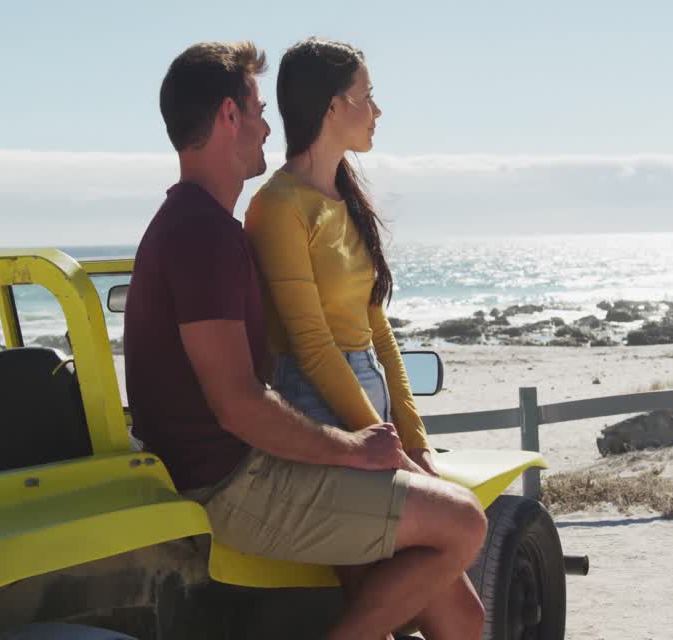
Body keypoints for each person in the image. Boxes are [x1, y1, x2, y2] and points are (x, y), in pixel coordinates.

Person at [123, 41, 487, 640]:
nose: (270, 126)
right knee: (465, 524)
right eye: (258, 110)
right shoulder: (202, 233)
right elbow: (237, 401)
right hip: (233, 485)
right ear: (228, 117)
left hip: (243, 467)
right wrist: (352, 449)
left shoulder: (205, 226)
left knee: (460, 612)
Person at [243, 38, 483, 637]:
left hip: (368, 410)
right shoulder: (277, 206)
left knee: (464, 617)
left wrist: (414, 437)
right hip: (321, 415)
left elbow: (378, 328)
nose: (377, 110)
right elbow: (312, 345)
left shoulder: (345, 196)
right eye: (367, 96)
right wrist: (380, 446)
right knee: (396, 607)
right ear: (331, 107)